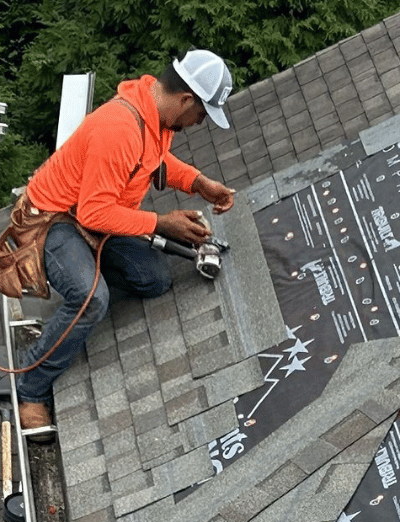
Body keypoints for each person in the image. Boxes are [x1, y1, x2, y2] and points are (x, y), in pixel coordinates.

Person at [15, 50, 236, 429]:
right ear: (186, 100)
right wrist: (161, 224)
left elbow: (155, 162)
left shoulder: (157, 120)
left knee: (154, 279)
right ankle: (29, 386)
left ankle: (78, 288)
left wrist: (199, 183)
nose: (199, 123)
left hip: (96, 217)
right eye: (201, 114)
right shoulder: (120, 127)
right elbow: (92, 213)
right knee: (90, 298)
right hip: (53, 220)